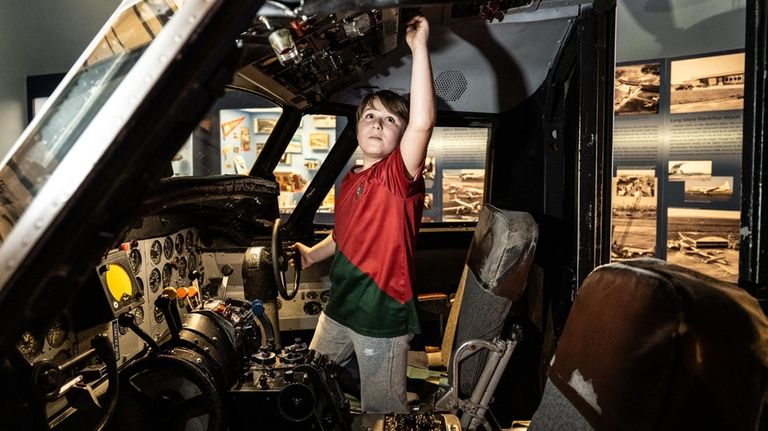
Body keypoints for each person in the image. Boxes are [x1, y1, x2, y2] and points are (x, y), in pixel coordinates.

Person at [293, 15, 435, 414]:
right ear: (357, 128)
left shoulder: (396, 177)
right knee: (309, 379)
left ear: (400, 136)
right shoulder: (352, 179)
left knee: (382, 411)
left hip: (379, 314)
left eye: (391, 120)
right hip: (341, 307)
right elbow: (344, 235)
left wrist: (419, 47)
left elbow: (422, 123)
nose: (378, 123)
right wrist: (309, 255)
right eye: (370, 115)